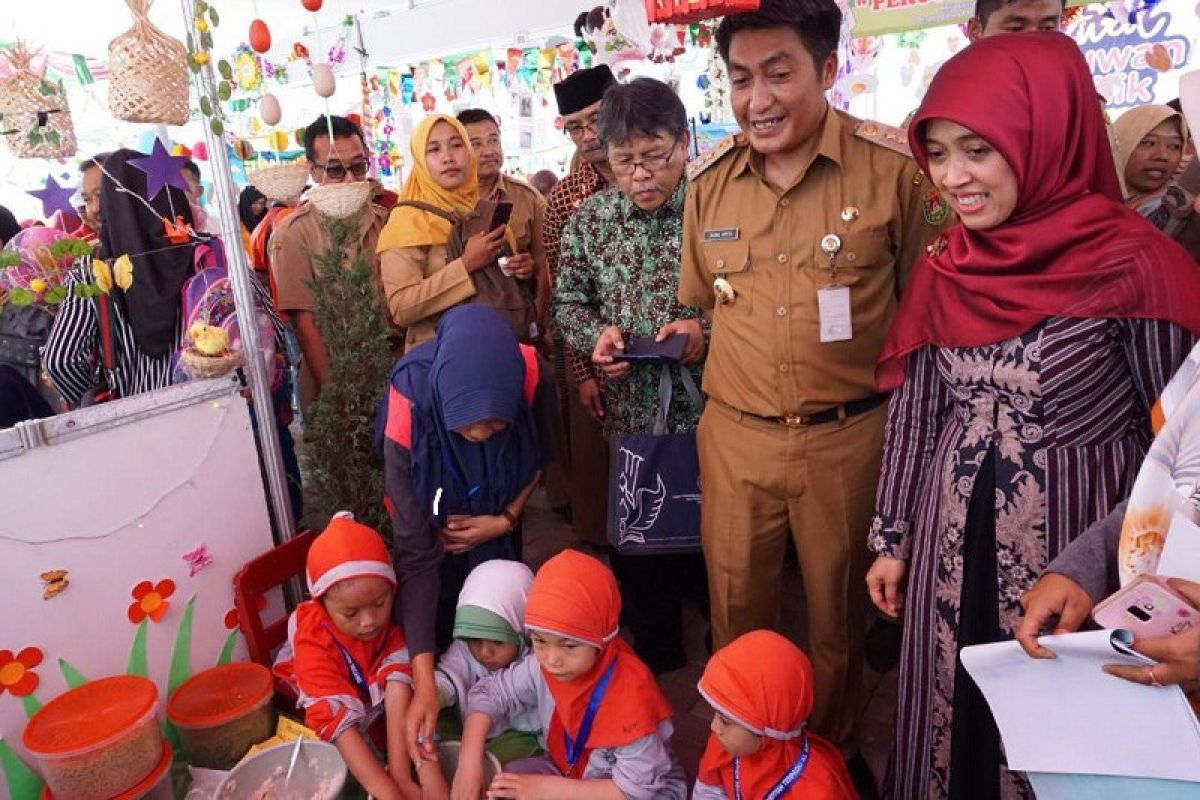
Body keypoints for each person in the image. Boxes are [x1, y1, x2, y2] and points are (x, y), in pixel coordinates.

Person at [865, 31, 1200, 800]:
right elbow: (919, 409)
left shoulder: (1136, 265)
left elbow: (1189, 447)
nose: (954, 178)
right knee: (955, 724)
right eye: (939, 153)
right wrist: (892, 536)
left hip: (1079, 545)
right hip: (951, 534)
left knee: (1056, 739)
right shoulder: (947, 262)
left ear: (1044, 135)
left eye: (978, 149)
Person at [676, 1, 948, 787]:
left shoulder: (894, 173)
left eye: (778, 73)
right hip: (734, 436)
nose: (756, 99)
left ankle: (823, 758)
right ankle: (739, 755)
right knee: (735, 606)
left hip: (847, 437)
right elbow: (701, 305)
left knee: (836, 617)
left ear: (829, 70)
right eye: (739, 79)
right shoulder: (710, 184)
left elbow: (922, 318)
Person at [555, 76, 709, 674]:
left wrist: (704, 335)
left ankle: (723, 633)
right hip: (630, 410)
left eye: (655, 158)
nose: (642, 176)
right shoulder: (590, 222)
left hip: (712, 405)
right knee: (640, 533)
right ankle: (659, 651)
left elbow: (753, 299)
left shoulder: (713, 206)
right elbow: (568, 301)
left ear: (683, 142)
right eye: (626, 162)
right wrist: (595, 338)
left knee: (715, 529)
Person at [377, 306, 554, 766]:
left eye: (496, 425)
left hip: (497, 531)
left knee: (501, 631)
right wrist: (423, 683)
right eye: (465, 424)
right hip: (435, 546)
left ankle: (514, 712)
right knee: (441, 639)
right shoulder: (410, 401)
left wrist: (506, 519)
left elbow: (539, 458)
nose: (479, 435)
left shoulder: (533, 377)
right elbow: (414, 555)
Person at [452, 549, 687, 800]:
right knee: (505, 783)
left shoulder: (631, 699)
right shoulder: (542, 665)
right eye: (540, 641)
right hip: (573, 772)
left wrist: (544, 790)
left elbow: (633, 790)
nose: (552, 660)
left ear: (602, 639)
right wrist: (468, 763)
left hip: (632, 791)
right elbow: (491, 694)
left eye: (570, 646)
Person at [273, 513, 423, 800]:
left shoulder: (394, 618)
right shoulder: (312, 643)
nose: (369, 621)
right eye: (351, 613)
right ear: (322, 605)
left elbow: (398, 686)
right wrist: (387, 793)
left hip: (364, 683)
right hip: (327, 690)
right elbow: (339, 727)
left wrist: (401, 776)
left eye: (379, 603)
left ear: (392, 589)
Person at [42, 150, 197, 406]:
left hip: (134, 418)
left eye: (103, 195)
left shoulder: (91, 269)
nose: (93, 210)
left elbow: (61, 360)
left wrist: (98, 398)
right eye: (86, 200)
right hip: (216, 406)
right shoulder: (203, 253)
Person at [376, 114, 535, 348]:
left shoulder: (479, 211)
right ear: (420, 160)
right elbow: (401, 308)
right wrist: (466, 265)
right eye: (434, 150)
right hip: (440, 360)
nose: (448, 158)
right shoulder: (407, 220)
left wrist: (520, 269)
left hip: (498, 351)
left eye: (457, 145)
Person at [271, 115, 395, 414]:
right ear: (312, 170)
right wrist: (341, 400)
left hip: (394, 369)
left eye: (359, 166)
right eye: (336, 170)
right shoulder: (293, 234)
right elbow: (306, 324)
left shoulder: (386, 219)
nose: (351, 179)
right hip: (336, 378)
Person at [543, 63, 618, 549]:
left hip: (674, 353)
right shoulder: (566, 198)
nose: (589, 136)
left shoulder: (670, 173)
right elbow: (566, 298)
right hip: (594, 355)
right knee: (598, 474)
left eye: (597, 119)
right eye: (576, 127)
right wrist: (583, 374)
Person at [693, 630, 858, 800]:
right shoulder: (723, 745)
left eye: (725, 721)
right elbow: (708, 791)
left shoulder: (818, 789)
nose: (714, 726)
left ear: (769, 731)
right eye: (717, 714)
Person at [435, 559, 541, 763]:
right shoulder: (464, 648)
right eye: (475, 640)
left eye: (498, 641)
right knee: (435, 733)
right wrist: (434, 695)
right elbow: (448, 674)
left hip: (519, 733)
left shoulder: (535, 656)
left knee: (497, 762)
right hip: (471, 729)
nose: (484, 652)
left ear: (521, 629)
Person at [457, 108, 550, 332]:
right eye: (476, 144)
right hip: (463, 324)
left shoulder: (527, 198)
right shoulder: (448, 201)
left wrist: (536, 318)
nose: (488, 150)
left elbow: (546, 267)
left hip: (518, 322)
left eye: (493, 140)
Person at [1114, 104, 1188, 213]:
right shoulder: (1088, 202)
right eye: (1149, 143)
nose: (1163, 156)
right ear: (1121, 145)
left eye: (1174, 146)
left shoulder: (1182, 211)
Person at [966, 0, 1064, 40]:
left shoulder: (1073, 80)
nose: (1034, 41)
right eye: (1015, 29)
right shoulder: (958, 82)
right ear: (975, 31)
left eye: (1047, 28)